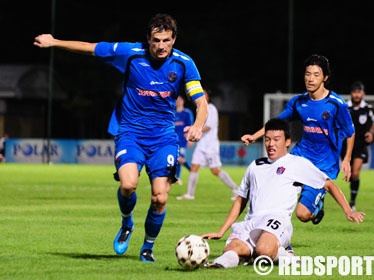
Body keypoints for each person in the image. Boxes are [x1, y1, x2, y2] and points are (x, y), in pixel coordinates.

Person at [33, 13, 208, 263]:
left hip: (164, 138)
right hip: (130, 133)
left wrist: (198, 126)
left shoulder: (183, 64)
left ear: (174, 39)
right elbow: (92, 48)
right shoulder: (131, 53)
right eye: (156, 40)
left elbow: (201, 103)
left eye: (166, 40)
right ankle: (127, 223)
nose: (161, 46)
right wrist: (55, 42)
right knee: (128, 185)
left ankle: (147, 247)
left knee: (160, 196)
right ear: (148, 39)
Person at [203, 118, 365, 269]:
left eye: (276, 139)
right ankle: (215, 265)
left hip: (277, 220)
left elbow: (328, 184)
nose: (270, 144)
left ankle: (284, 253)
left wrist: (348, 210)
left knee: (264, 250)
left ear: (287, 141)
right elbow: (240, 200)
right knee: (231, 250)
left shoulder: (296, 163)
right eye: (267, 139)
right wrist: (221, 231)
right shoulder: (255, 166)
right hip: (252, 222)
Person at [241, 54, 355, 225]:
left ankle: (316, 206)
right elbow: (277, 123)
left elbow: (350, 132)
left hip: (324, 164)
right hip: (300, 155)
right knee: (274, 191)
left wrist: (346, 159)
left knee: (302, 215)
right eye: (308, 74)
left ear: (325, 78)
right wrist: (254, 136)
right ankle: (274, 233)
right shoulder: (298, 102)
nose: (310, 79)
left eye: (316, 75)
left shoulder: (336, 104)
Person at [177, 88, 239, 200]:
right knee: (194, 167)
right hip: (201, 145)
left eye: (204, 94)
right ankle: (189, 194)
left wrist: (195, 130)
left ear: (208, 97)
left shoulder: (211, 109)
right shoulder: (199, 109)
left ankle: (236, 189)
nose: (202, 95)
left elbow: (209, 126)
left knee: (215, 170)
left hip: (211, 145)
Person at [341, 81, 374, 211]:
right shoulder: (344, 107)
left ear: (363, 93)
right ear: (351, 93)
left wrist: (371, 132)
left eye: (359, 92)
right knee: (348, 174)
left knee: (356, 172)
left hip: (360, 144)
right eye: (355, 92)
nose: (357, 95)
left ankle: (352, 202)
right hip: (346, 144)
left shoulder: (368, 109)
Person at [174, 94, 194, 185]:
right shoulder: (173, 114)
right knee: (177, 159)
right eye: (176, 100)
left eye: (179, 99)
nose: (178, 101)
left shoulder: (187, 113)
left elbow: (190, 125)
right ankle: (191, 172)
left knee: (180, 159)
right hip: (174, 140)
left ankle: (191, 171)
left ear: (183, 101)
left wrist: (190, 139)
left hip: (183, 140)